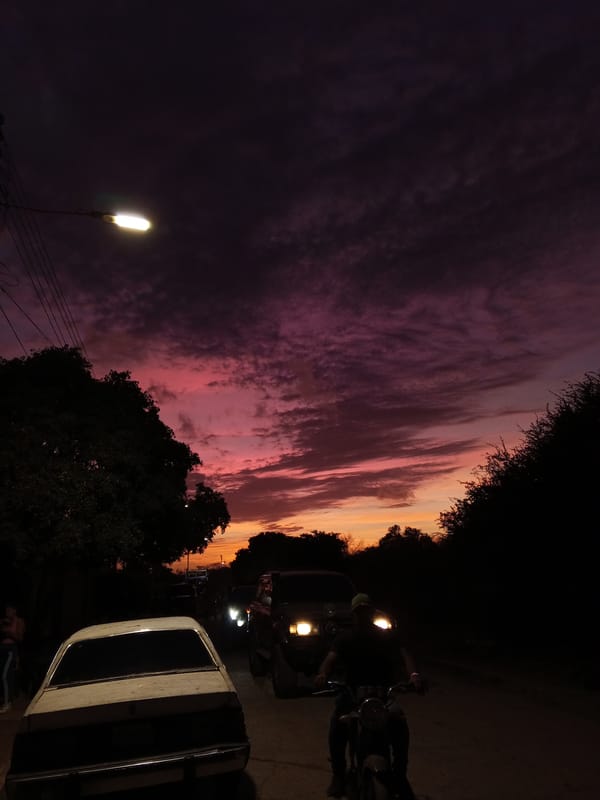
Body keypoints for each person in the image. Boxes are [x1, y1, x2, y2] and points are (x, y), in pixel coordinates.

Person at [315, 593, 425, 799]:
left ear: (372, 613)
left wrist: (414, 676)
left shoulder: (386, 636)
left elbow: (404, 654)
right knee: (337, 725)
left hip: (383, 697)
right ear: (354, 614)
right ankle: (338, 775)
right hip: (352, 696)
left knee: (400, 723)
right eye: (359, 611)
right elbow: (330, 659)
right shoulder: (345, 638)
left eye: (366, 611)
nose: (363, 615)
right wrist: (322, 674)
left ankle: (400, 775)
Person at [1, 602, 26, 713]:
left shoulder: (19, 621)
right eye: (6, 611)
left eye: (9, 610)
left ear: (14, 611)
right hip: (2, 649)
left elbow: (20, 638)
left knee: (5, 676)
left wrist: (8, 632)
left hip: (11, 649)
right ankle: (5, 700)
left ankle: (8, 703)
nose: (7, 612)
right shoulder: (4, 621)